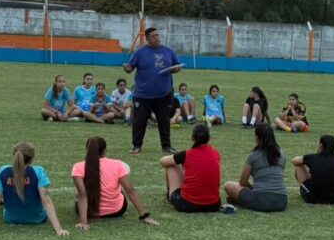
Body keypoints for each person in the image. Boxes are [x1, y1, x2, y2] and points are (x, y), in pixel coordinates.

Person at [0, 142, 69, 236]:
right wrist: (59, 229)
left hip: (10, 219)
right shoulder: (38, 171)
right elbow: (46, 202)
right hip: (37, 219)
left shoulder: (3, 171)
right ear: (32, 158)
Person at [72, 136, 158, 229]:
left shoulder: (78, 167)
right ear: (105, 150)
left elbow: (82, 195)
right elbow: (130, 191)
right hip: (117, 211)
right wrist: (145, 216)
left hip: (90, 213)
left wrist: (83, 222)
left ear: (87, 150)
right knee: (118, 186)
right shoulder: (118, 164)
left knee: (79, 191)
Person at [123, 27, 182, 155]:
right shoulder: (140, 53)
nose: (157, 38)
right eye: (154, 36)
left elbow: (176, 66)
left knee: (164, 120)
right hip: (142, 95)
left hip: (164, 94)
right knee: (140, 121)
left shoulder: (168, 51)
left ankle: (166, 146)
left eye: (158, 35)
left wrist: (176, 69)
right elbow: (129, 68)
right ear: (148, 39)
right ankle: (136, 146)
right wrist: (127, 68)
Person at [224, 123, 288, 212]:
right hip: (282, 201)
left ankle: (240, 200)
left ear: (257, 138)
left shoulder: (253, 155)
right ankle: (241, 200)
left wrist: (252, 188)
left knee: (228, 185)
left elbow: (243, 182)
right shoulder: (282, 154)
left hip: (261, 201)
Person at [160, 124, 224, 213]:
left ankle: (169, 197)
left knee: (171, 165)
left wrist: (179, 160)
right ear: (209, 138)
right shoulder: (215, 153)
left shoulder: (187, 154)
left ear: (192, 138)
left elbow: (163, 161)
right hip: (214, 204)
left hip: (189, 205)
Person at [292, 135, 334, 204]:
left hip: (314, 198)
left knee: (298, 167)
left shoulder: (313, 158)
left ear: (321, 145)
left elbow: (294, 161)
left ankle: (304, 191)